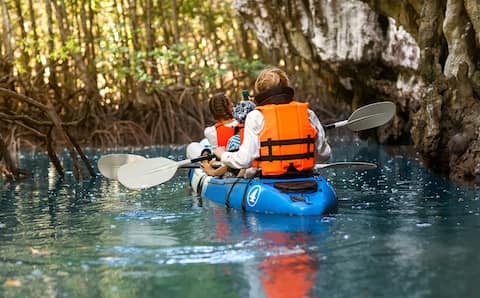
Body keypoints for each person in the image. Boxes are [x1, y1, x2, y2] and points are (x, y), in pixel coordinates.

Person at [213, 67, 331, 177]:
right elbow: (324, 155)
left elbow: (244, 160)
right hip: (306, 177)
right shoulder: (308, 113)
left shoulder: (255, 117)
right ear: (286, 86)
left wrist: (223, 154)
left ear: (260, 91)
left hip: (269, 180)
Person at [201, 100, 256, 177]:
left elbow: (231, 165)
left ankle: (204, 162)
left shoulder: (232, 140)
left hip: (230, 168)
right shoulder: (260, 134)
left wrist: (213, 172)